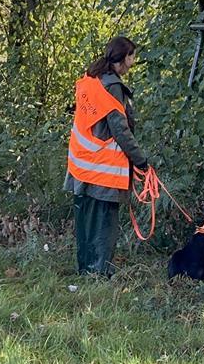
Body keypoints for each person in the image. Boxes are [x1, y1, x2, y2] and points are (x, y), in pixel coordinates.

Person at [64, 36, 149, 276]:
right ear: (123, 58)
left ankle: (86, 270)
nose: (133, 62)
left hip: (82, 164)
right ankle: (99, 274)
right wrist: (140, 160)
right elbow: (120, 130)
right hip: (103, 168)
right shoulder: (112, 87)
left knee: (85, 221)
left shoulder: (91, 81)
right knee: (103, 223)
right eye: (132, 56)